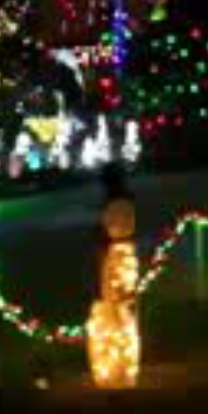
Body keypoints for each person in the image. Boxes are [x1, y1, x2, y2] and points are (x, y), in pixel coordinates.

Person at [87, 164, 141, 388]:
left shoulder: (115, 204)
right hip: (126, 255)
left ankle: (118, 362)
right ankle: (122, 357)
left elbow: (110, 231)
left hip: (116, 258)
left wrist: (100, 237)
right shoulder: (127, 202)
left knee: (117, 305)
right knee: (125, 305)